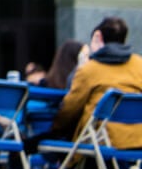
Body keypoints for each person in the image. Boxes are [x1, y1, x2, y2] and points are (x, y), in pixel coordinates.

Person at [48, 17, 142, 148]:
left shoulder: (90, 69)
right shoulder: (139, 65)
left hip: (102, 142)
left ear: (98, 37)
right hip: (137, 141)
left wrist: (54, 129)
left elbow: (70, 109)